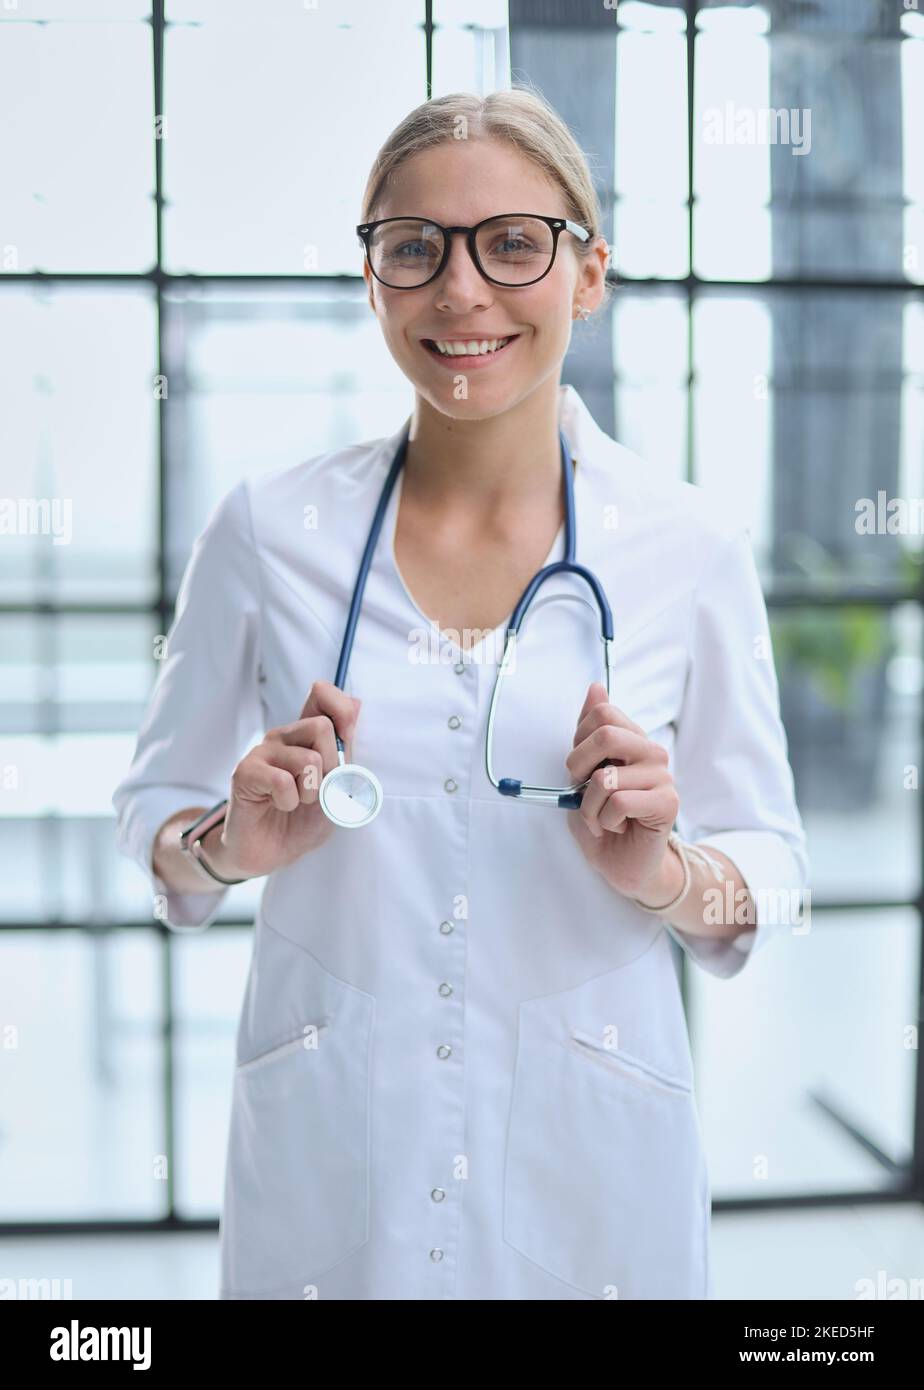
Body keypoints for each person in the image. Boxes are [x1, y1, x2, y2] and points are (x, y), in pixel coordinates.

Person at [112, 87, 809, 1301]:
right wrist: (228, 843)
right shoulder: (270, 528)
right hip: (337, 1142)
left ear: (588, 274)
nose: (462, 290)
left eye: (514, 243)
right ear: (374, 277)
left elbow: (776, 872)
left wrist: (668, 872)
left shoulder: (688, 543)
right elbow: (156, 827)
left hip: (594, 1159)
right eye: (414, 246)